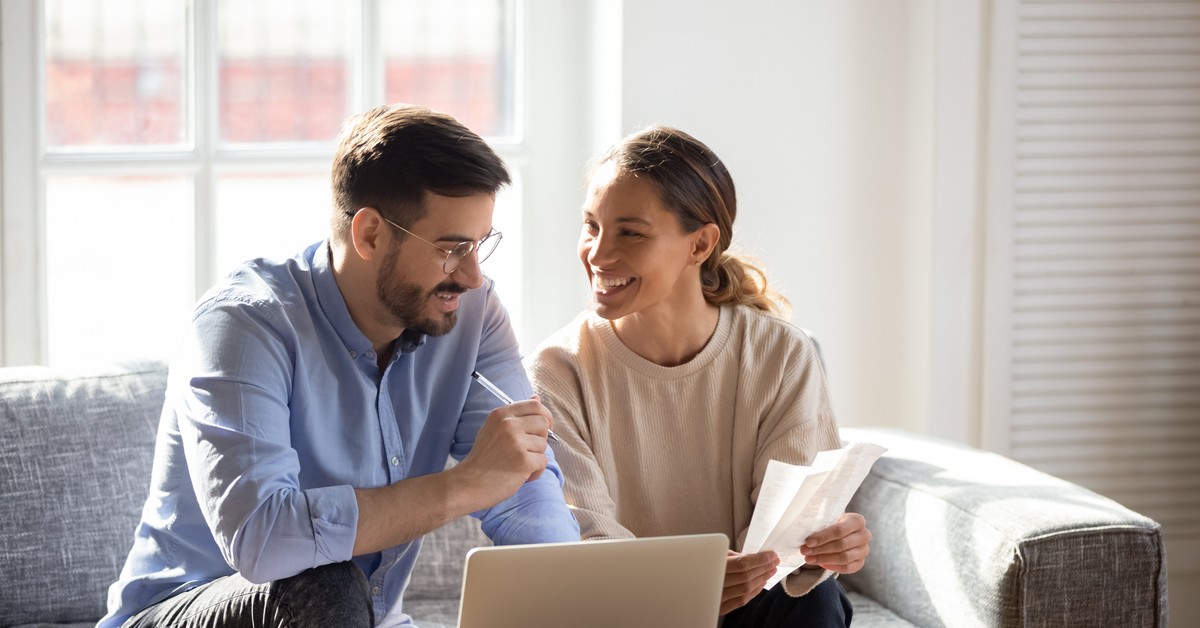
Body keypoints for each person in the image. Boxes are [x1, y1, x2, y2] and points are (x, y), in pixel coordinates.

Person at [99, 104, 579, 628]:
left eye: (480, 244)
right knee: (322, 580)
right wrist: (464, 485)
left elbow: (522, 483)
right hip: (189, 608)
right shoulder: (243, 325)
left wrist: (573, 601)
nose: (471, 275)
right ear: (370, 233)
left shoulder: (472, 313)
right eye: (452, 249)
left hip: (361, 619)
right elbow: (263, 538)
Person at [526, 126, 870, 627]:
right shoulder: (558, 370)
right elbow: (586, 541)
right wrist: (687, 584)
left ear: (700, 244)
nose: (597, 254)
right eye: (591, 226)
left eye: (630, 232)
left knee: (815, 600)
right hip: (626, 611)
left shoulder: (780, 353)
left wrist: (825, 547)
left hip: (749, 603)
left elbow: (786, 540)